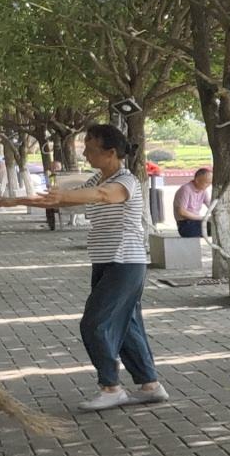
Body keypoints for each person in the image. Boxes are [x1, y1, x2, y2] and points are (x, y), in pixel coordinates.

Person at [9, 124, 170, 412]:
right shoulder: (97, 178)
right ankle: (150, 385)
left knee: (94, 324)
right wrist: (5, 201)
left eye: (91, 149)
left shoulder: (126, 181)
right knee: (128, 326)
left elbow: (104, 196)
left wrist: (63, 196)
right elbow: (65, 199)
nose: (85, 154)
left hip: (125, 262)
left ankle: (111, 387)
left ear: (111, 152)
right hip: (105, 261)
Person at [174, 167, 211, 238]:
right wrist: (203, 218)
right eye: (206, 182)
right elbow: (182, 212)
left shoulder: (203, 190)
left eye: (210, 183)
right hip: (185, 224)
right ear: (197, 180)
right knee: (213, 229)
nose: (208, 185)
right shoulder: (186, 189)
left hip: (197, 222)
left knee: (219, 226)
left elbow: (211, 205)